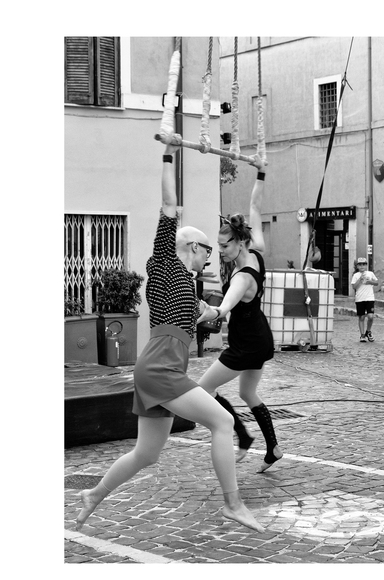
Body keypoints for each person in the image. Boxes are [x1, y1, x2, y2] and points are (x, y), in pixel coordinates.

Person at [76, 144, 265, 534]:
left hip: (163, 364)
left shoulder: (185, 285)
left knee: (146, 453)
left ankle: (94, 493)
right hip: (161, 365)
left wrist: (216, 310)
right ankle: (233, 504)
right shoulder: (164, 263)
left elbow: (207, 314)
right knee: (223, 421)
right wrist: (169, 154)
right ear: (193, 247)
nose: (210, 258)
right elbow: (168, 203)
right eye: (207, 251)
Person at [197, 157, 283, 473]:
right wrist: (261, 171)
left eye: (224, 246)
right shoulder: (256, 250)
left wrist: (211, 311)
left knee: (202, 390)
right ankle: (272, 448)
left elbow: (227, 304)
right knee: (247, 392)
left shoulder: (242, 277)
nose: (220, 251)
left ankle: (242, 435)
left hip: (246, 343)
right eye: (218, 246)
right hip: (259, 337)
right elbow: (255, 206)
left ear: (240, 241)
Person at [351, 257, 379, 342]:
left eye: (364, 264)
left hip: (370, 298)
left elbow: (377, 283)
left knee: (370, 316)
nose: (362, 266)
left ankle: (368, 331)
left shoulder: (370, 273)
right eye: (360, 265)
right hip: (360, 299)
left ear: (366, 265)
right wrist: (360, 280)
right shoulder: (356, 275)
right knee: (361, 317)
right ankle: (362, 335)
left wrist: (369, 282)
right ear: (357, 266)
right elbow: (354, 287)